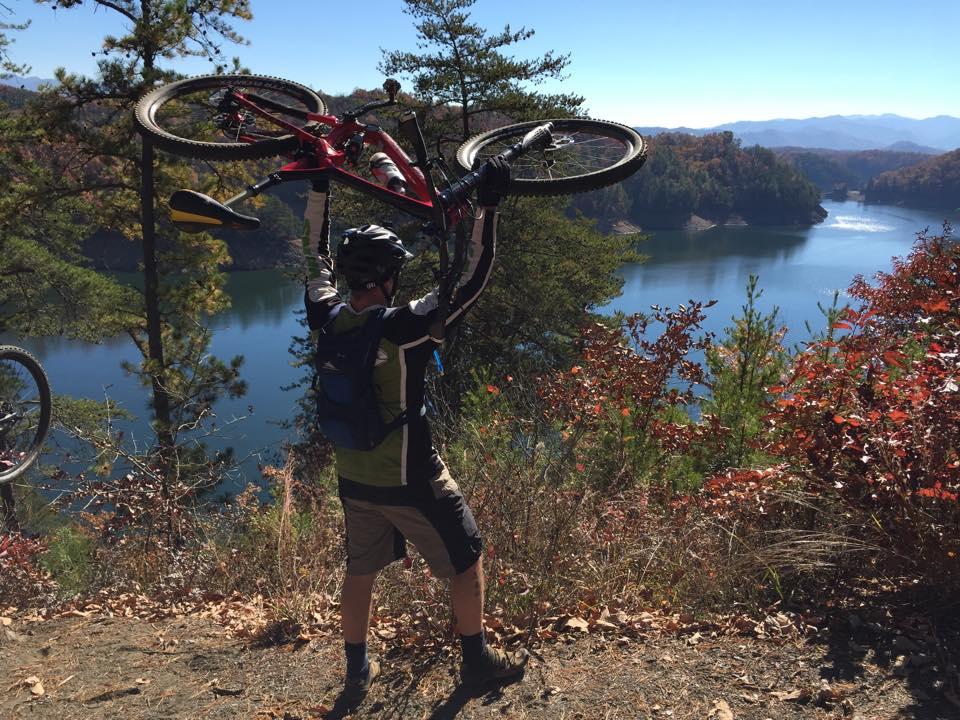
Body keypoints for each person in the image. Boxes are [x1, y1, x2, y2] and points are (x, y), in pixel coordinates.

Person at [302, 157, 528, 695]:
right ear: (388, 277)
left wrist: (317, 188)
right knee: (467, 559)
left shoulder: (326, 317)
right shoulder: (403, 328)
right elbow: (470, 279)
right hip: (412, 476)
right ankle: (476, 664)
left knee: (361, 570)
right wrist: (488, 209)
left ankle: (357, 669)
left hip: (353, 477)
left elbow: (312, 259)